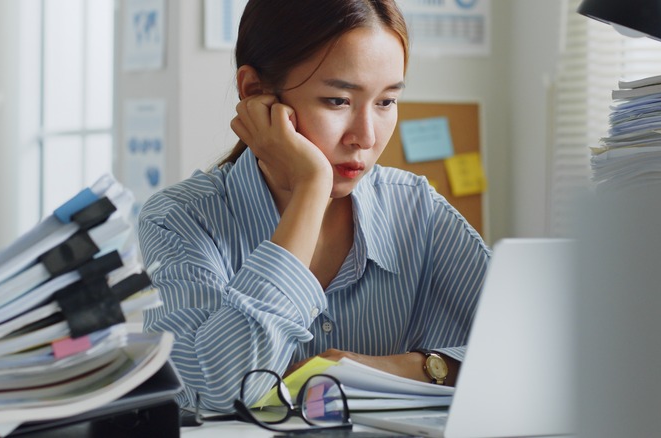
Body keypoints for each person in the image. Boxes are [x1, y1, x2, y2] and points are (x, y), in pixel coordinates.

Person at [139, 0, 490, 412]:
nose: (365, 136)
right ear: (254, 92)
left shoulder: (417, 209)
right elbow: (212, 390)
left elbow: (536, 354)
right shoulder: (180, 219)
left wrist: (398, 368)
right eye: (338, 101)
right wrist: (310, 188)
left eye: (385, 102)